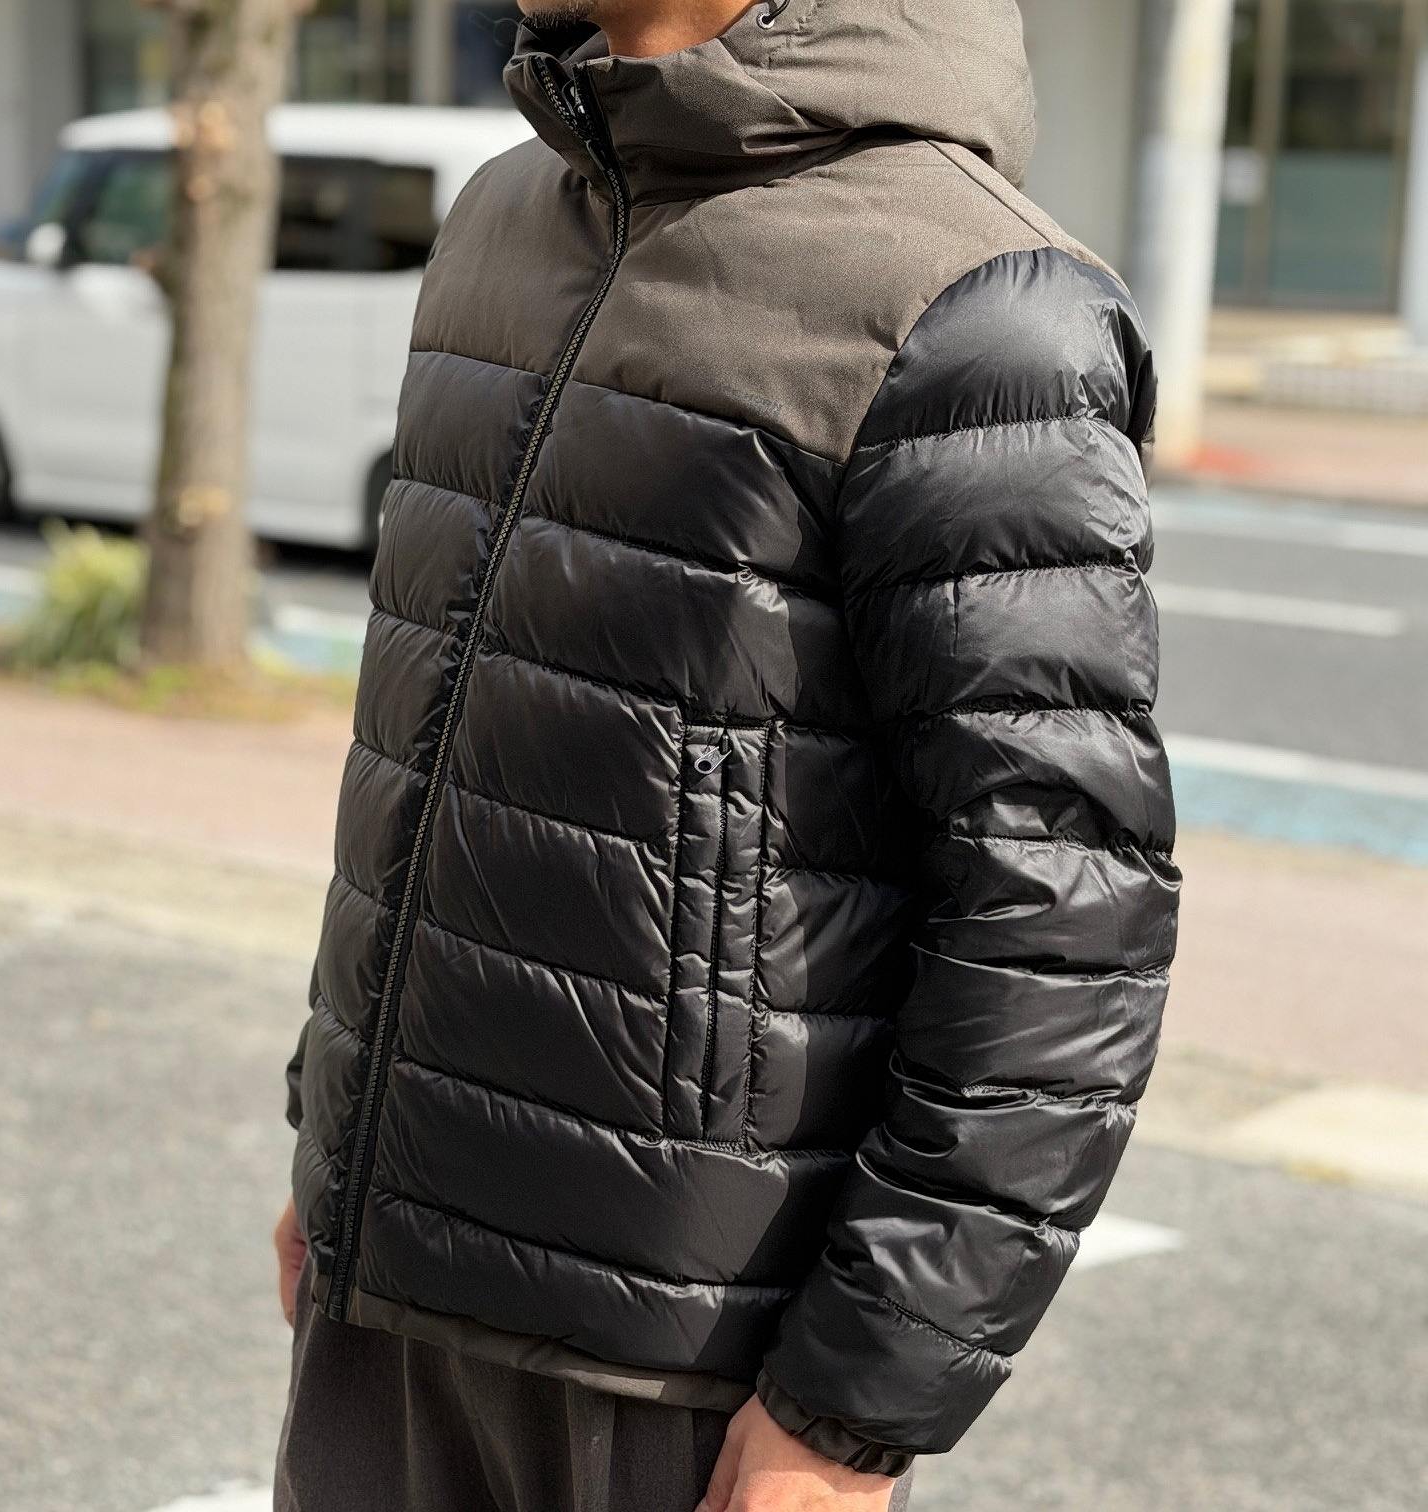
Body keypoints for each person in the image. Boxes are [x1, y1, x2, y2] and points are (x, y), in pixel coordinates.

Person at [272, 1, 1181, 1508]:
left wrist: (853, 1405)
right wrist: (333, 1141)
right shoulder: (504, 215)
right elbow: (426, 754)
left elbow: (1063, 911)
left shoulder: (967, 301)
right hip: (392, 1292)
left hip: (679, 1361)